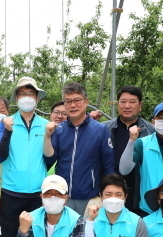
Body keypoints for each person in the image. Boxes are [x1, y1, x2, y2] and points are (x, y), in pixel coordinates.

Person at [0, 77, 50, 237]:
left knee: (34, 235)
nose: (27, 98)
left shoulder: (45, 125)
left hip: (36, 191)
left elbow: (50, 159)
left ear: (37, 98)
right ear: (16, 98)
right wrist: (8, 132)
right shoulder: (7, 123)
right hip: (11, 190)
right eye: (22, 94)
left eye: (31, 94)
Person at [43, 82, 115, 216]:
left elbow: (108, 164)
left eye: (77, 100)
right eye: (68, 101)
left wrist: (106, 193)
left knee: (88, 234)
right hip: (62, 196)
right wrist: (47, 136)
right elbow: (50, 159)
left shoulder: (100, 130)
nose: (73, 105)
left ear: (86, 102)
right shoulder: (59, 130)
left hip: (89, 196)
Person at [103, 86, 155, 213]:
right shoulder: (104, 129)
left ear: (140, 105)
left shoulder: (151, 131)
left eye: (132, 102)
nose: (127, 106)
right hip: (110, 195)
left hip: (139, 194)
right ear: (118, 104)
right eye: (123, 102)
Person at [47, 101, 68, 176]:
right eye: (56, 112)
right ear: (50, 114)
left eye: (64, 114)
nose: (60, 116)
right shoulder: (40, 131)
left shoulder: (72, 136)